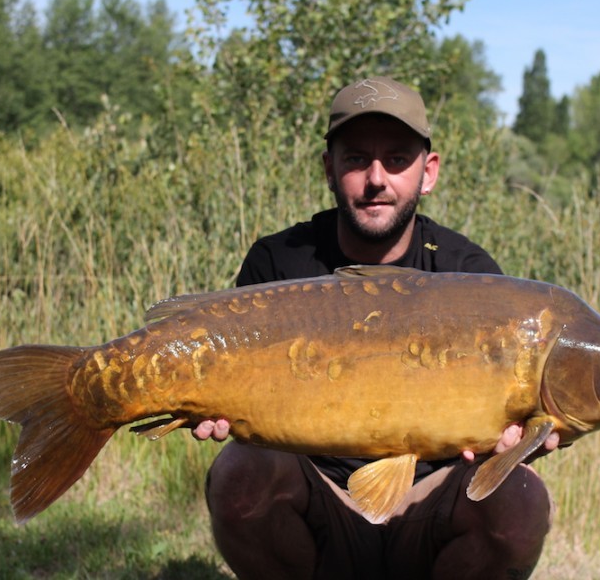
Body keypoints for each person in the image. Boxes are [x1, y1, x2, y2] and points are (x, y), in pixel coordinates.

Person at [193, 77, 559, 580]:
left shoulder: (468, 273)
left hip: (432, 507)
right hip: (316, 500)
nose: (376, 178)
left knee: (521, 499)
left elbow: (509, 432)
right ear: (329, 169)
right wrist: (213, 409)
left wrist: (523, 438)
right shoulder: (278, 262)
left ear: (428, 172)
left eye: (397, 159)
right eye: (356, 159)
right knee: (239, 473)